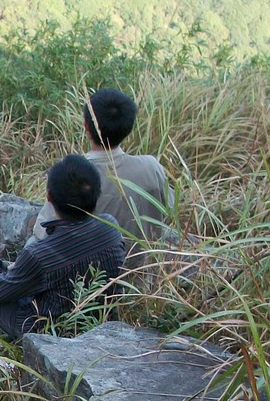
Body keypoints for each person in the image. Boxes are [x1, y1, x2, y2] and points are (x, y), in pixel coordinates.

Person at [0, 153, 124, 342]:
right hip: (94, 321)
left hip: (43, 331)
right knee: (4, 269)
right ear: (97, 193)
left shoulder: (39, 254)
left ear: (48, 196)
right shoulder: (111, 229)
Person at [32, 89, 170, 269]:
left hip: (87, 280)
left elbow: (43, 235)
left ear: (86, 125)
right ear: (129, 126)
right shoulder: (152, 168)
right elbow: (168, 212)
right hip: (142, 276)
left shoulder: (73, 176)